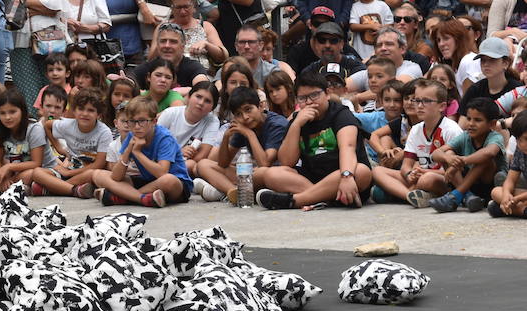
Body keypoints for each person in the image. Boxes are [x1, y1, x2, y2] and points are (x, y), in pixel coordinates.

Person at [254, 65, 372, 210]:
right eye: (302, 98)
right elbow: (286, 161)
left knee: (362, 171)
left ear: (327, 93)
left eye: (314, 95)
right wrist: (296, 125)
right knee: (272, 174)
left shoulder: (341, 114)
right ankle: (324, 199)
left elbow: (348, 147)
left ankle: (296, 200)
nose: (309, 102)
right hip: (313, 179)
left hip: (344, 174)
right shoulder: (298, 120)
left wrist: (346, 176)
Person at [370, 77, 460, 208]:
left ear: (442, 106)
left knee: (426, 179)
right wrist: (409, 175)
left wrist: (422, 173)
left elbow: (457, 172)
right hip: (418, 176)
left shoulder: (451, 129)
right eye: (417, 100)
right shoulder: (416, 129)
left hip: (443, 180)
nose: (419, 106)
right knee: (378, 171)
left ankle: (415, 194)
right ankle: (411, 196)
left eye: (426, 101)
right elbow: (406, 166)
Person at [91, 94, 191, 207]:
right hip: (147, 182)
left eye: (142, 121)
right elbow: (116, 176)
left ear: (154, 121)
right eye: (132, 121)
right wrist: (129, 150)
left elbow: (162, 173)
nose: (137, 126)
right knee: (98, 174)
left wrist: (137, 152)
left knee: (168, 180)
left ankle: (124, 197)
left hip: (175, 186)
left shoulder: (165, 138)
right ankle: (142, 198)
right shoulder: (132, 135)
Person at [194, 87, 289, 203]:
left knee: (262, 172)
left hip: (278, 174)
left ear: (260, 106)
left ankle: (222, 192)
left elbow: (265, 164)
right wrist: (226, 137)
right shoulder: (244, 125)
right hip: (253, 175)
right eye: (238, 114)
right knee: (203, 165)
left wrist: (249, 134)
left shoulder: (276, 124)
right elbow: (223, 164)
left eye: (248, 109)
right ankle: (233, 192)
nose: (245, 117)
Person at [429, 97, 505, 213]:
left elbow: (489, 152)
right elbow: (436, 153)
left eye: (477, 120)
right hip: (469, 185)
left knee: (485, 159)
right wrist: (448, 158)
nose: (471, 124)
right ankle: (467, 196)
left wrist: (461, 161)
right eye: (469, 119)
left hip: (489, 185)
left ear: (492, 124)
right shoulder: (465, 136)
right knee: (449, 153)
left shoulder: (495, 136)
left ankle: (457, 195)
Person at [158, 81, 222, 178]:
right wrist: (178, 152)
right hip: (162, 160)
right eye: (198, 97)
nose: (201, 103)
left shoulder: (212, 120)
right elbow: (154, 145)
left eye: (207, 101)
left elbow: (203, 153)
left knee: (193, 163)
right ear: (189, 97)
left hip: (187, 163)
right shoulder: (170, 114)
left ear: (212, 108)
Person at [132, 22, 209, 90]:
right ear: (157, 45)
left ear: (183, 45)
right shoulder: (147, 67)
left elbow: (203, 87)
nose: (167, 46)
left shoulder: (193, 67)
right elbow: (129, 82)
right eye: (163, 41)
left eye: (173, 42)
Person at [167, 0, 226, 68]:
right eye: (178, 7)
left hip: (203, 75)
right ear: (171, 7)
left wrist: (206, 45)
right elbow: (152, 59)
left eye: (186, 6)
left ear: (194, 5)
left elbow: (223, 56)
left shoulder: (205, 26)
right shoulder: (164, 28)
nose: (183, 11)